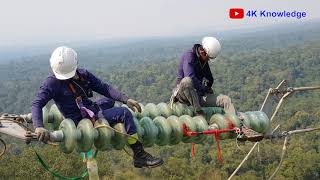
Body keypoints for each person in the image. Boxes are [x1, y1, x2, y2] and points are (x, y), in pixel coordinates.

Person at [29, 46, 163, 168]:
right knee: (124, 113)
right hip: (81, 120)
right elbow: (37, 103)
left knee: (109, 100)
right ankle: (139, 154)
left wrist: (125, 99)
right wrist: (38, 126)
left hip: (90, 109)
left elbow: (103, 87)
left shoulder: (82, 75)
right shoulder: (51, 83)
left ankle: (111, 117)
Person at [170, 37, 236, 116]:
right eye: (208, 58)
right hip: (184, 95)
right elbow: (190, 77)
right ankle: (198, 112)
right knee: (187, 81)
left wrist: (208, 89)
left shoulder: (203, 60)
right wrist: (203, 88)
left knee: (225, 100)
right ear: (203, 53)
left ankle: (235, 122)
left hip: (198, 96)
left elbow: (210, 78)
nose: (208, 60)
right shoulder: (189, 56)